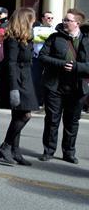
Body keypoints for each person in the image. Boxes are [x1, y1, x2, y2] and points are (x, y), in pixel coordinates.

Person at [38, 8, 89, 164]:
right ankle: (48, 151)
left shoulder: (87, 40)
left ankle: (69, 152)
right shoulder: (54, 38)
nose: (64, 22)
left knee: (72, 121)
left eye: (68, 20)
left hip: (78, 87)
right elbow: (42, 57)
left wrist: (75, 67)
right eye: (64, 19)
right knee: (52, 120)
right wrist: (62, 64)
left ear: (77, 23)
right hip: (55, 86)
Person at [0, 8, 39, 166]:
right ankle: (6, 146)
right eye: (32, 19)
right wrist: (13, 88)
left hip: (26, 78)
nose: (34, 22)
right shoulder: (13, 39)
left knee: (18, 116)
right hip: (18, 81)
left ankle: (15, 151)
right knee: (25, 115)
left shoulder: (25, 37)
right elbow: (11, 64)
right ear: (25, 20)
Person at [32, 11, 56, 106]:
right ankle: (37, 101)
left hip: (49, 59)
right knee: (36, 79)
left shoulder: (55, 31)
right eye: (48, 18)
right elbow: (34, 39)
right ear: (43, 19)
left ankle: (46, 101)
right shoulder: (36, 29)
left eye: (51, 18)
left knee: (48, 81)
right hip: (37, 58)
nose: (50, 20)